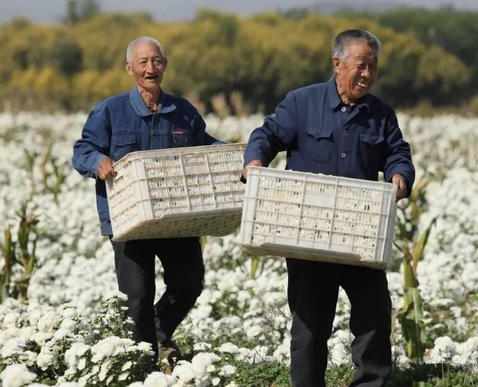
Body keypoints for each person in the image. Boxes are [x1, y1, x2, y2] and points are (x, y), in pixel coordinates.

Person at [243, 29, 415, 387]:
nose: (367, 74)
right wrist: (255, 161)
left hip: (360, 233)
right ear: (337, 64)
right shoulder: (301, 103)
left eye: (373, 67)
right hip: (309, 234)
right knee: (309, 325)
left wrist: (400, 175)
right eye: (360, 66)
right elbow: (267, 135)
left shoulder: (380, 114)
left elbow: (398, 152)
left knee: (374, 318)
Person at [72, 36, 223, 367]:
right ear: (129, 68)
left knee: (189, 284)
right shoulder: (110, 111)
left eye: (156, 61)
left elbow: (205, 145)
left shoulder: (183, 112)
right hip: (129, 221)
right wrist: (98, 163)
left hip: (176, 218)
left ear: (165, 66)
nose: (150, 68)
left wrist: (238, 154)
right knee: (137, 297)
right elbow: (82, 150)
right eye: (143, 62)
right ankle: (144, 363)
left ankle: (153, 337)